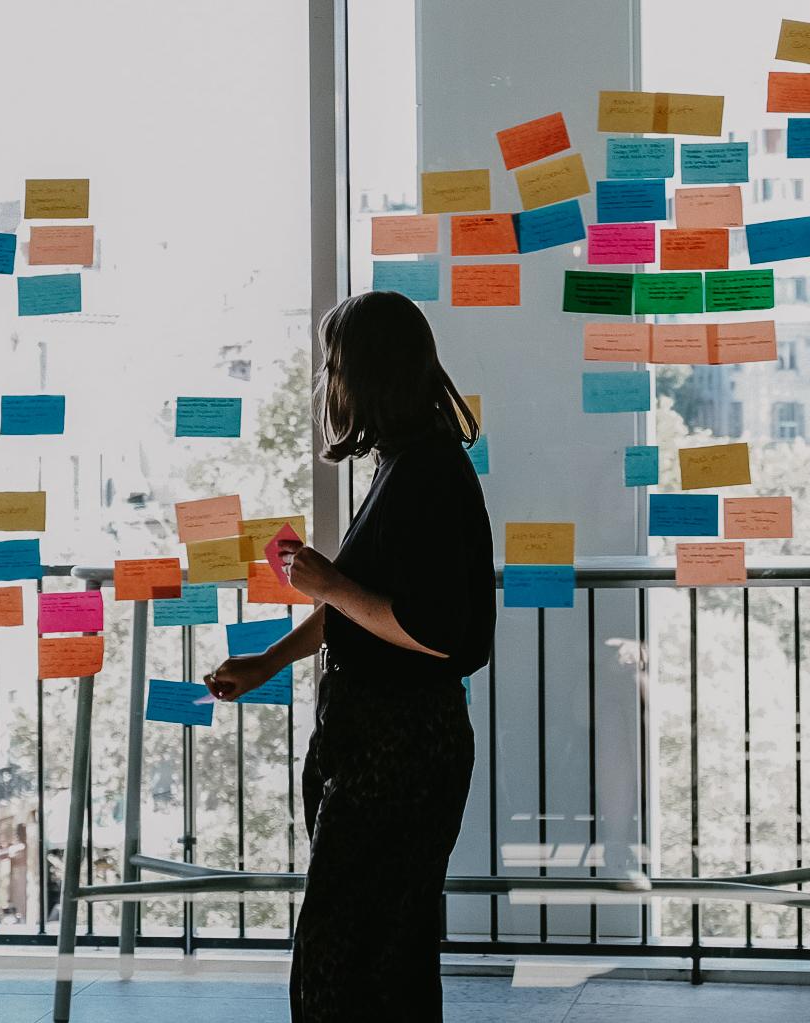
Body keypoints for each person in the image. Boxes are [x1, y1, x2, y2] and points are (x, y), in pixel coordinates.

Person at [204, 290, 495, 1022]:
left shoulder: (426, 473)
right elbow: (365, 611)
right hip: (383, 741)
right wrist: (269, 659)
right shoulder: (404, 463)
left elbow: (436, 632)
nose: (327, 382)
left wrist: (331, 580)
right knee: (382, 954)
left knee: (345, 962)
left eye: (335, 364)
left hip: (400, 749)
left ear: (369, 373)